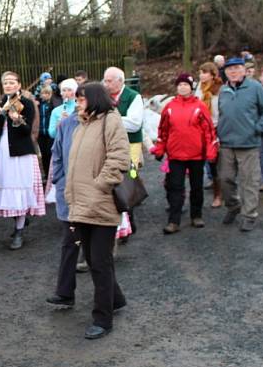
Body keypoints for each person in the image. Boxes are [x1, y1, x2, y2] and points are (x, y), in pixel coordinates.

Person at [64, 82, 130, 339]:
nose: (78, 103)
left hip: (100, 203)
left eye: (81, 99)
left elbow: (119, 158)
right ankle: (116, 299)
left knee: (100, 262)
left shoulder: (110, 121)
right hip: (82, 203)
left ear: (94, 99)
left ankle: (103, 319)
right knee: (93, 259)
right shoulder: (83, 124)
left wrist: (99, 186)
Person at [0, 71, 45, 250]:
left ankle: (18, 231)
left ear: (19, 85)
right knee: (7, 189)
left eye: (12, 82)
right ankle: (20, 220)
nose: (8, 86)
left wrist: (18, 120)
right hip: (2, 151)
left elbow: (28, 130)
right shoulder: (2, 102)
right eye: (5, 83)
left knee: (18, 190)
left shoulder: (26, 103)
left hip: (20, 153)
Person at [152, 73, 218, 234]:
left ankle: (196, 215)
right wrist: (160, 148)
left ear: (191, 87)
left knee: (196, 186)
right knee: (175, 187)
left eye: (186, 85)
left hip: (196, 155)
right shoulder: (169, 107)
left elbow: (209, 130)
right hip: (175, 155)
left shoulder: (200, 106)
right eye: (180, 85)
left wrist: (211, 150)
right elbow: (163, 130)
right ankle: (174, 221)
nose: (182, 87)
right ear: (177, 87)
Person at [217, 58, 263, 231]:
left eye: (236, 68)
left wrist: (258, 128)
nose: (233, 71)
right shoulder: (223, 89)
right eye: (229, 69)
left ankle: (250, 215)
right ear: (225, 72)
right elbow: (220, 113)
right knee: (224, 179)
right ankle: (233, 206)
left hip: (248, 143)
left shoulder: (255, 87)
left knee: (249, 181)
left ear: (243, 70)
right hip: (226, 143)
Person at [45, 90, 83, 310]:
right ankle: (65, 292)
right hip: (69, 195)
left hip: (93, 198)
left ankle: (114, 298)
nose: (79, 104)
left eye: (83, 100)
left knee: (98, 255)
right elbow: (56, 153)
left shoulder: (103, 123)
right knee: (69, 244)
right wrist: (59, 179)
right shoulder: (66, 124)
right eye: (77, 100)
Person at [103, 66, 144, 238]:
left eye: (109, 81)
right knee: (114, 181)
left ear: (120, 81)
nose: (106, 84)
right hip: (109, 146)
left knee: (130, 178)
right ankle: (121, 220)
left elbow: (135, 123)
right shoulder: (103, 96)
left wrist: (110, 119)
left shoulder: (133, 97)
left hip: (131, 146)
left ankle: (130, 214)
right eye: (104, 80)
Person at [195, 62, 223, 207]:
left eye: (205, 72)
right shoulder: (198, 89)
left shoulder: (219, 89)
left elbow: (221, 111)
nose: (201, 75)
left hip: (215, 128)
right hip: (199, 129)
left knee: (214, 163)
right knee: (201, 161)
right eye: (200, 72)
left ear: (213, 74)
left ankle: (218, 194)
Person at [37, 85, 57, 179]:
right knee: (44, 155)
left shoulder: (53, 105)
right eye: (43, 93)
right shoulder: (39, 105)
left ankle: (52, 174)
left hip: (50, 134)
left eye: (47, 93)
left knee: (50, 154)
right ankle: (46, 174)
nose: (44, 95)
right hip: (41, 133)